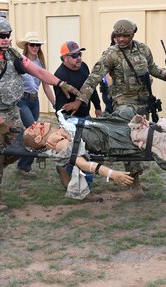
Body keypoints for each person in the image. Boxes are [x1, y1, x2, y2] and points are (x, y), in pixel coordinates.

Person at [62, 19, 166, 198]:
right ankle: (134, 181)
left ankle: (135, 176)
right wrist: (80, 101)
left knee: (144, 139)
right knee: (129, 138)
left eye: (125, 36)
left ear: (133, 35)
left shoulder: (143, 49)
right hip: (124, 104)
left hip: (144, 102)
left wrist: (165, 75)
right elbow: (94, 78)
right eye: (117, 35)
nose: (120, 39)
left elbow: (151, 67)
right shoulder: (111, 54)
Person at [0, 17, 78, 211]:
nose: (7, 39)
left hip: (13, 111)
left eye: (8, 35)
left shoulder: (13, 56)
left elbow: (39, 72)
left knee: (26, 147)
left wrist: (60, 83)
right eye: (2, 36)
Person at [23, 121, 134, 201]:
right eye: (32, 128)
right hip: (103, 137)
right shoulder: (60, 144)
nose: (35, 123)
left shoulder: (55, 136)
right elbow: (84, 164)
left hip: (98, 129)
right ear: (38, 138)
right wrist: (112, 174)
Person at [53, 41, 102, 194]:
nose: (78, 58)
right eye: (74, 55)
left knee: (86, 151)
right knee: (82, 153)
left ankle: (65, 169)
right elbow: (64, 107)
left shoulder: (84, 67)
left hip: (85, 115)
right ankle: (85, 189)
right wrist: (67, 124)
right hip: (70, 120)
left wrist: (98, 106)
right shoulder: (60, 76)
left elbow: (91, 88)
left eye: (79, 54)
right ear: (65, 58)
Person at [15, 32, 56, 177]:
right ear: (26, 46)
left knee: (33, 133)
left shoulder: (40, 63)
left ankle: (23, 165)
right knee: (35, 132)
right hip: (22, 100)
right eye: (32, 44)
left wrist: (55, 105)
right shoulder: (19, 61)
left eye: (38, 45)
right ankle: (23, 165)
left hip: (34, 100)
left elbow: (46, 86)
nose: (35, 47)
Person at [99, 32, 117, 114]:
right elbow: (107, 75)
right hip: (110, 90)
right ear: (114, 39)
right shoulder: (109, 53)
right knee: (111, 112)